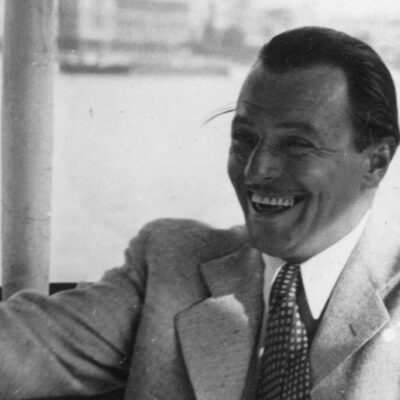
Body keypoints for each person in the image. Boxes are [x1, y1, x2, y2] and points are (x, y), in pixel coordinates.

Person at [1, 26, 400, 400]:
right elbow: (17, 349)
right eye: (244, 138)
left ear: (376, 161)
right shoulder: (172, 265)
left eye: (297, 144)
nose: (256, 171)